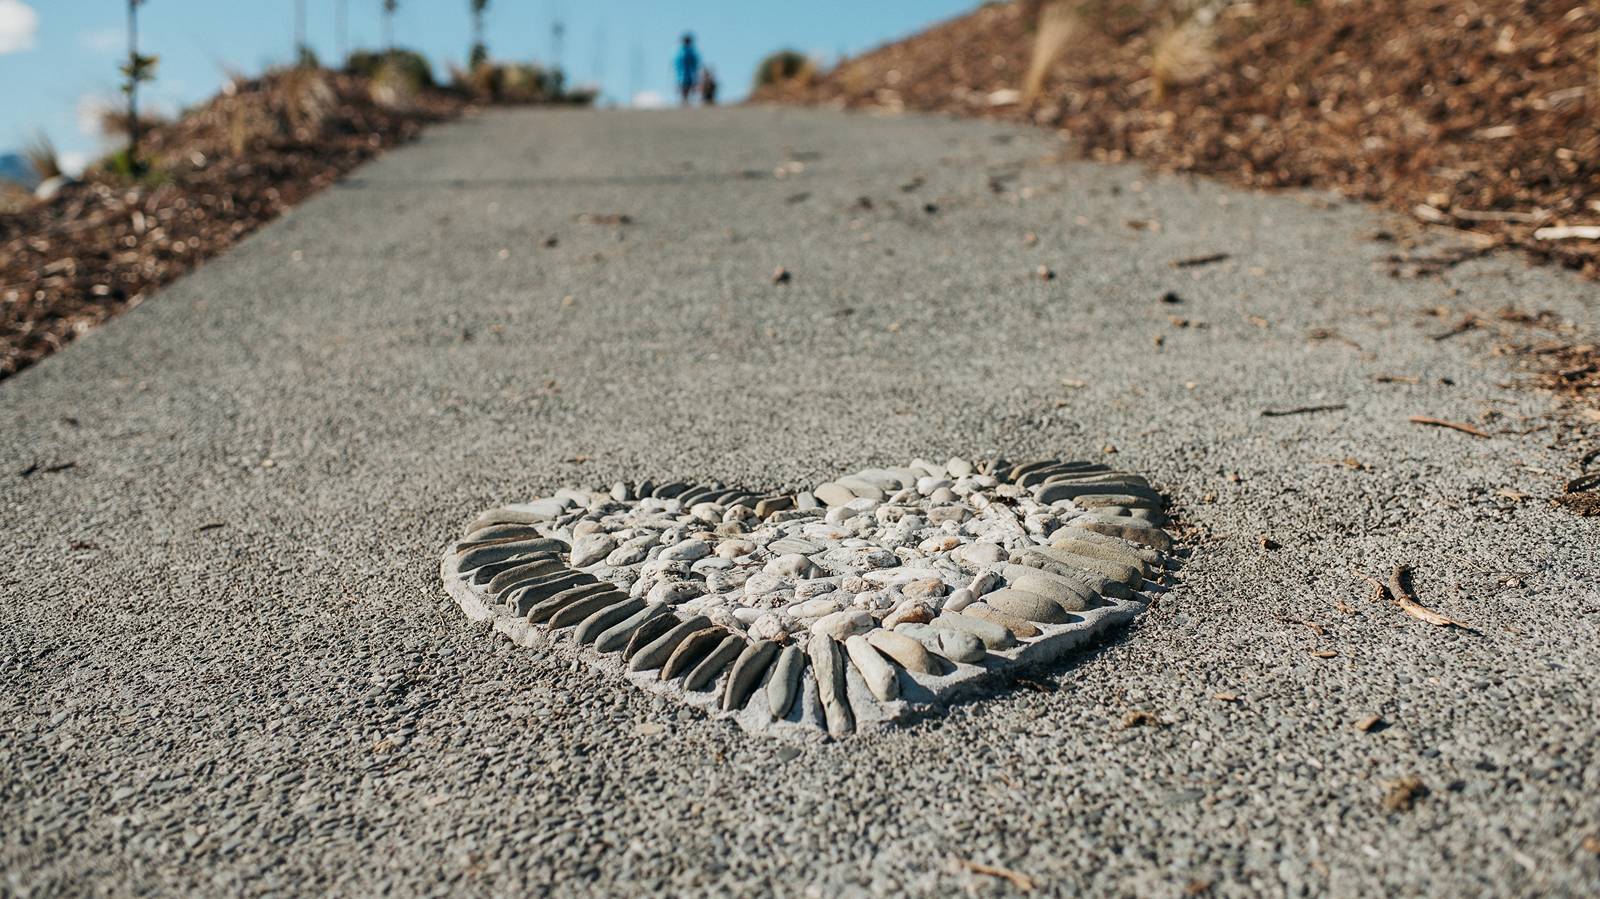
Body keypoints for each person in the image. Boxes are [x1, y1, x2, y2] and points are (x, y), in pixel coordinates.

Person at [674, 33, 701, 106]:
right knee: (685, 93)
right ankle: (685, 104)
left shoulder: (681, 52)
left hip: (684, 77)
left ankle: (685, 104)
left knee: (686, 93)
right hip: (685, 77)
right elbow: (695, 64)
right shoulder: (688, 52)